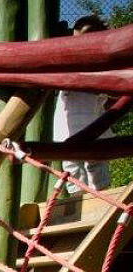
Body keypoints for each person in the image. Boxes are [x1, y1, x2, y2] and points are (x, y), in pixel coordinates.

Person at [53, 14, 113, 194]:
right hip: (70, 128)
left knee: (96, 164)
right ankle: (79, 200)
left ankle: (100, 199)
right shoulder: (72, 60)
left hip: (93, 125)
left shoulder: (102, 63)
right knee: (73, 166)